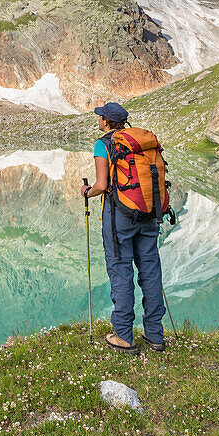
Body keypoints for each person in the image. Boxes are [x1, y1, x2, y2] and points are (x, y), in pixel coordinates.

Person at [80, 101, 166, 354]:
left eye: (100, 118)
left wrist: (86, 191)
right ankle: (154, 335)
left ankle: (124, 335)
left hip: (120, 215)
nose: (99, 121)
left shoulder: (103, 144)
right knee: (150, 270)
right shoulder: (140, 142)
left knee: (121, 270)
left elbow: (102, 185)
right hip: (150, 212)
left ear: (106, 121)